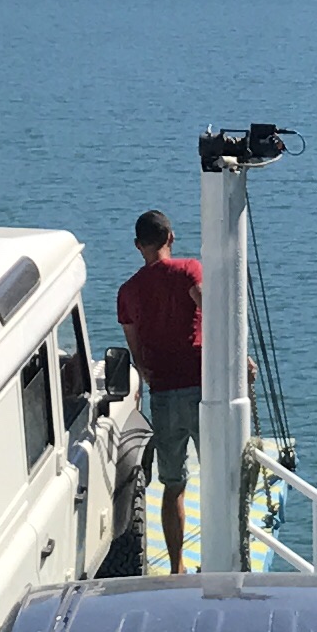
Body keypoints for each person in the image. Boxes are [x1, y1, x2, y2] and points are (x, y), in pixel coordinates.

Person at [115, 211, 205, 571]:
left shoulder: (128, 291)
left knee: (172, 484)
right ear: (171, 235)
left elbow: (136, 351)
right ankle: (218, 560)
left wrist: (148, 376)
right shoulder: (188, 271)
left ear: (139, 245)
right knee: (218, 479)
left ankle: (176, 566)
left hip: (163, 393)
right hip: (201, 388)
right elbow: (213, 311)